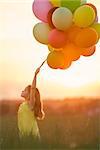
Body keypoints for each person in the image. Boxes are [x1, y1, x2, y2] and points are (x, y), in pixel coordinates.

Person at [18, 61, 45, 140]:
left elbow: (33, 89)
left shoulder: (30, 105)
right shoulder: (23, 104)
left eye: (25, 90)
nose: (22, 91)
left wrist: (35, 75)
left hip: (32, 135)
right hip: (24, 136)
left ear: (30, 95)